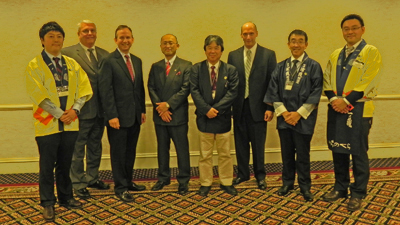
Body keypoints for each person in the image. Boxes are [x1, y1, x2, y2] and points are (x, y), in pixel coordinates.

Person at [25, 21, 92, 221]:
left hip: (71, 122)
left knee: (66, 163)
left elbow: (84, 89)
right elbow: (38, 94)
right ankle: (47, 202)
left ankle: (66, 197)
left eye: (59, 36)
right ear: (42, 40)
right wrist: (59, 113)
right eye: (51, 36)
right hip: (47, 123)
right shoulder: (34, 65)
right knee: (47, 165)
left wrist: (75, 111)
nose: (56, 40)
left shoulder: (71, 64)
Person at [322, 14, 382, 211]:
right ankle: (340, 187)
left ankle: (358, 193)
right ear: (342, 32)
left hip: (359, 109)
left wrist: (346, 101)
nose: (350, 32)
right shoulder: (335, 54)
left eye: (354, 28)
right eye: (346, 29)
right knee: (338, 149)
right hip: (336, 108)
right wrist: (334, 100)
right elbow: (327, 80)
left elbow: (368, 80)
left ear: (362, 29)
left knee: (357, 152)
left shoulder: (370, 52)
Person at [264, 29, 323, 202]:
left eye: (300, 41)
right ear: (288, 43)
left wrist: (298, 114)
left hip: (303, 119)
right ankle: (287, 183)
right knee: (287, 153)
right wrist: (285, 114)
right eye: (293, 41)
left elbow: (316, 93)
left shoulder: (314, 66)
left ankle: (305, 186)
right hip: (284, 119)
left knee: (303, 155)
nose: (296, 44)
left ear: (306, 44)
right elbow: (273, 92)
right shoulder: (281, 67)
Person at [62, 20, 110, 199]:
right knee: (77, 149)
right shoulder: (68, 53)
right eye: (85, 31)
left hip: (101, 111)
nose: (89, 33)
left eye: (92, 30)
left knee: (95, 147)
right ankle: (78, 182)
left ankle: (92, 178)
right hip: (79, 111)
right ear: (79, 34)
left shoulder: (105, 55)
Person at [98, 25, 146, 202]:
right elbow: (106, 90)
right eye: (121, 38)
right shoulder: (109, 60)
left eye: (128, 37)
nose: (125, 41)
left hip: (134, 116)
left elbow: (138, 88)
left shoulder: (137, 60)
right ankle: (120, 188)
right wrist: (111, 115)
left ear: (132, 39)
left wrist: (141, 110)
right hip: (117, 118)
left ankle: (128, 181)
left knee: (130, 152)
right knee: (118, 154)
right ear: (115, 40)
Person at [228, 22, 277, 190]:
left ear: (256, 33)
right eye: (245, 34)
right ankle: (242, 174)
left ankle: (260, 175)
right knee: (240, 143)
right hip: (239, 107)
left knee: (258, 144)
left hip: (260, 108)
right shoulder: (233, 56)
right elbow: (230, 84)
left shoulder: (268, 55)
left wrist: (270, 107)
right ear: (241, 35)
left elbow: (273, 83)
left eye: (251, 33)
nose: (248, 37)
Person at [190, 35, 239, 196]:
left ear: (221, 51)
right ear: (205, 50)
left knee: (225, 153)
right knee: (205, 155)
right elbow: (194, 91)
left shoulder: (230, 70)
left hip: (223, 117)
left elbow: (232, 93)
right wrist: (206, 110)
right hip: (205, 119)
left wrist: (216, 109)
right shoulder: (196, 69)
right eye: (209, 48)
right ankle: (205, 182)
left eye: (216, 48)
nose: (212, 51)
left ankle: (226, 181)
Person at [148, 34, 192, 194]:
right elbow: (151, 87)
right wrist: (161, 109)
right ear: (160, 46)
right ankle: (163, 178)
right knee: (162, 149)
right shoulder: (156, 66)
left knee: (182, 149)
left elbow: (185, 89)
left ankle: (183, 180)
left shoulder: (186, 65)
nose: (168, 46)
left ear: (177, 45)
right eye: (164, 43)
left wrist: (168, 106)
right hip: (160, 117)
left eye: (171, 43)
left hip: (177, 115)